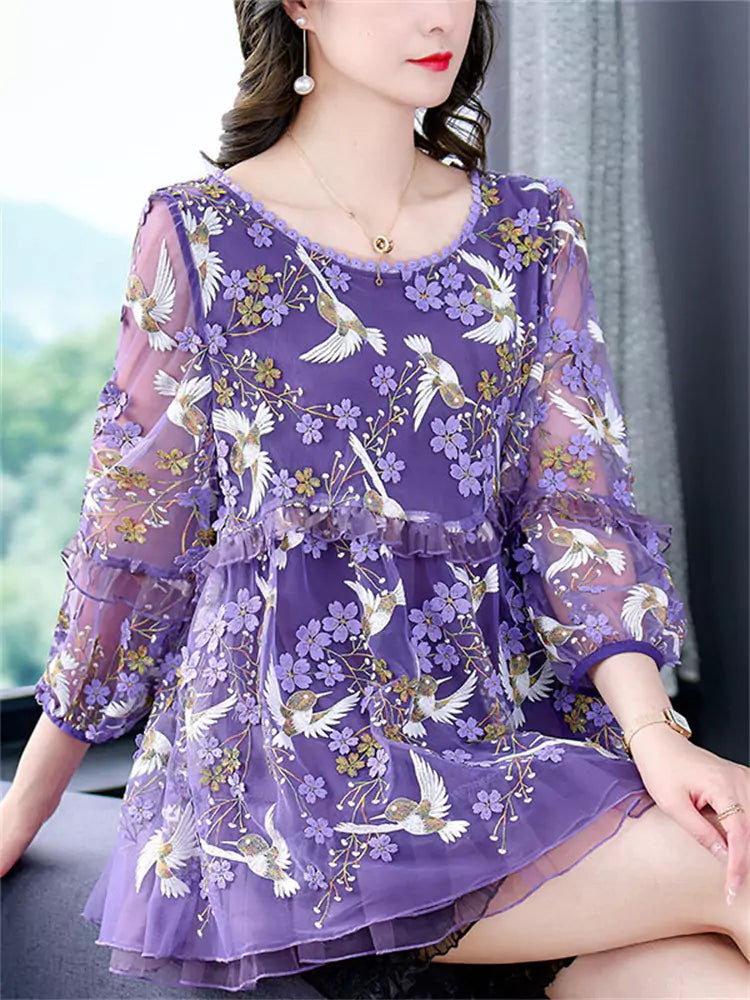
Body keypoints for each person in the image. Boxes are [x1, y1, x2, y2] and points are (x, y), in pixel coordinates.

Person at [2, 0, 749, 997]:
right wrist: (26, 804)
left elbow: (576, 515)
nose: (438, 14)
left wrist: (654, 737)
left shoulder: (530, 233)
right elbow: (135, 540)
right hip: (293, 792)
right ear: (300, 4)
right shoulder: (203, 234)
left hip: (502, 750)